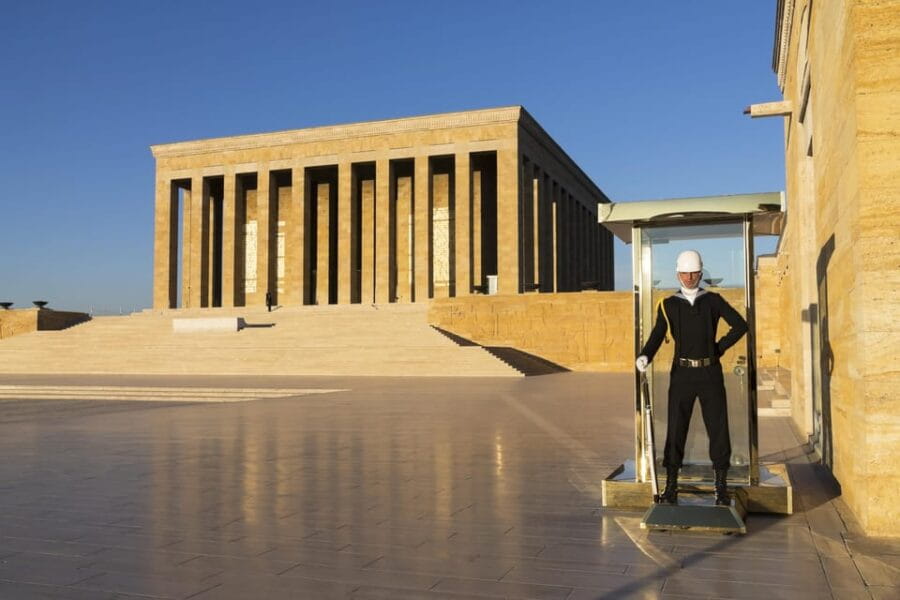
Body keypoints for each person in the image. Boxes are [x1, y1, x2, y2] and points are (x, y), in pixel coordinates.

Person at [635, 250, 748, 506]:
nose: (689, 277)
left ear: (700, 272)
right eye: (684, 273)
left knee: (717, 428)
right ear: (678, 273)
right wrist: (645, 356)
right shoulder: (668, 305)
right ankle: (671, 485)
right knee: (676, 428)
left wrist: (719, 348)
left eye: (694, 272)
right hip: (682, 373)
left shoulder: (714, 301)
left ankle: (721, 485)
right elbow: (657, 335)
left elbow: (740, 325)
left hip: (710, 372)